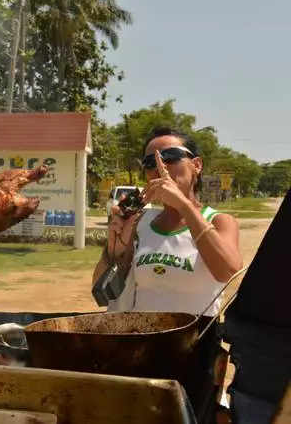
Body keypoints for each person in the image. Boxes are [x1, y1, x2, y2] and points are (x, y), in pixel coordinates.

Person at [91, 127, 244, 423]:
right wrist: (114, 247)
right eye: (150, 162)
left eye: (171, 157)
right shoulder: (142, 222)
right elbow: (103, 292)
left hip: (194, 353)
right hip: (139, 346)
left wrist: (184, 206)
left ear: (196, 166)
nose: (159, 167)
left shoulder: (220, 221)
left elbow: (227, 269)